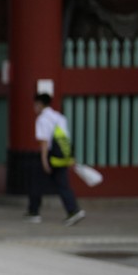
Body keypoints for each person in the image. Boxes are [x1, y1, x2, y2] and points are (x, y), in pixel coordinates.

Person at [26, 93, 86, 226]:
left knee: (35, 182)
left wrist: (44, 161)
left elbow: (44, 142)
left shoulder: (42, 119)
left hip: (49, 155)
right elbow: (65, 139)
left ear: (39, 104)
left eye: (35, 105)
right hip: (62, 156)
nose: (34, 108)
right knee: (63, 185)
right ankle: (73, 210)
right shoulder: (60, 117)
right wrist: (70, 157)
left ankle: (34, 212)